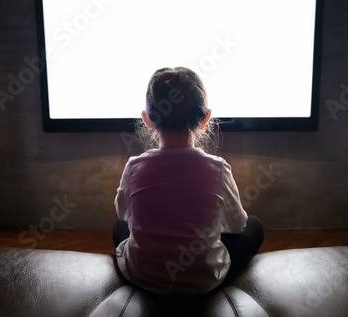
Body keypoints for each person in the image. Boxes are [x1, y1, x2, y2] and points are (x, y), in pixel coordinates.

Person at [113, 67, 264, 295]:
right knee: (255, 227)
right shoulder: (218, 168)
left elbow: (122, 214)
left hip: (143, 277)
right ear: (205, 118)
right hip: (204, 281)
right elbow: (237, 225)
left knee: (118, 228)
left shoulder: (135, 166)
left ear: (147, 119)